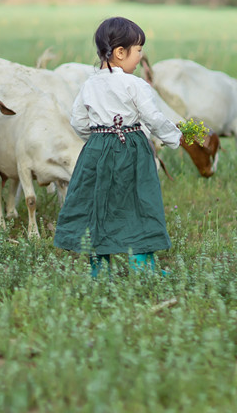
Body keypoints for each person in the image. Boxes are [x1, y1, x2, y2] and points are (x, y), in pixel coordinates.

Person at [53, 16, 181, 276]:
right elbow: (152, 117)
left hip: (97, 149)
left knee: (98, 203)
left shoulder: (89, 84)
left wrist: (98, 139)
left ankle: (100, 269)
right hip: (131, 147)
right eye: (139, 51)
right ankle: (143, 267)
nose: (140, 57)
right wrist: (173, 136)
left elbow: (77, 121)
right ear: (120, 53)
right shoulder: (134, 84)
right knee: (140, 201)